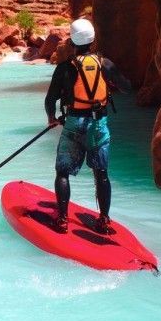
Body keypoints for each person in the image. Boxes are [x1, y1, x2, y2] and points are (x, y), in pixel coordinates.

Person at [44, 18, 131, 234]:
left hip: (74, 123)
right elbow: (127, 87)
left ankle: (63, 220)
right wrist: (109, 84)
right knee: (101, 173)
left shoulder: (65, 67)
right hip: (99, 123)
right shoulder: (106, 64)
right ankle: (104, 220)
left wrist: (51, 118)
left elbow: (51, 99)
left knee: (62, 172)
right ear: (92, 39)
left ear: (72, 41)